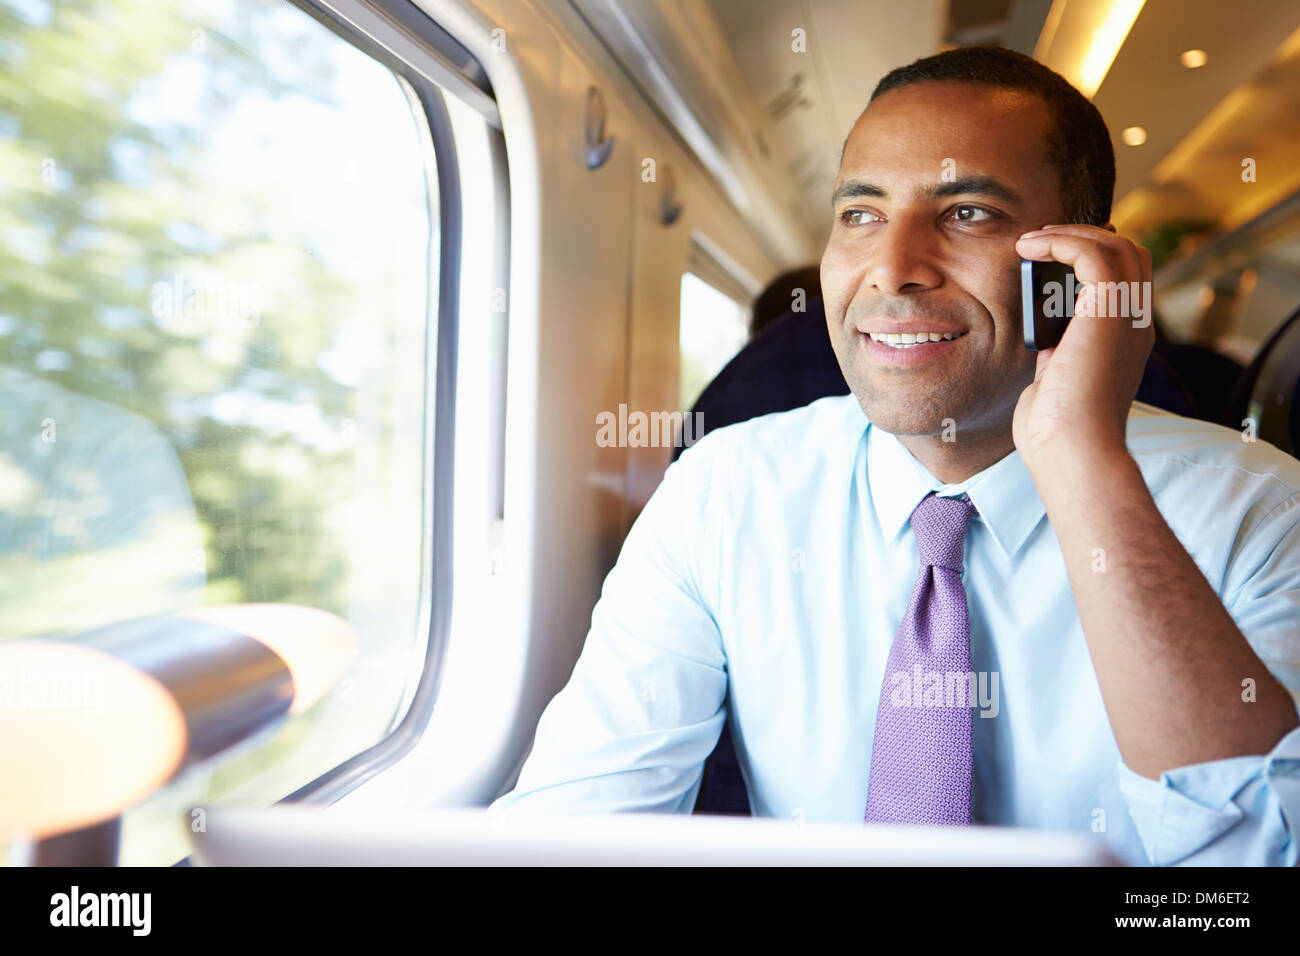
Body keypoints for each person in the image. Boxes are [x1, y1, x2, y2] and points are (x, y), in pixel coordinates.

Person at [491, 46, 1300, 866]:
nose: (893, 268)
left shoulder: (1261, 510)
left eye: (968, 213)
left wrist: (1084, 461)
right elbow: (573, 833)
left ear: (1077, 269)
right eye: (861, 215)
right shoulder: (725, 490)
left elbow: (1255, 871)